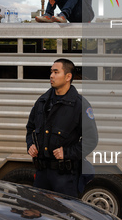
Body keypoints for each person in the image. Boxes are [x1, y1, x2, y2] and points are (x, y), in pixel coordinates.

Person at [26, 58, 98, 197]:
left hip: (65, 178)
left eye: (56, 72)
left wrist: (67, 152)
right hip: (42, 175)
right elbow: (30, 128)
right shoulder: (42, 101)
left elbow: (91, 139)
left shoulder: (80, 105)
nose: (51, 76)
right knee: (41, 214)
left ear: (68, 77)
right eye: (51, 72)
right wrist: (31, 144)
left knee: (65, 216)